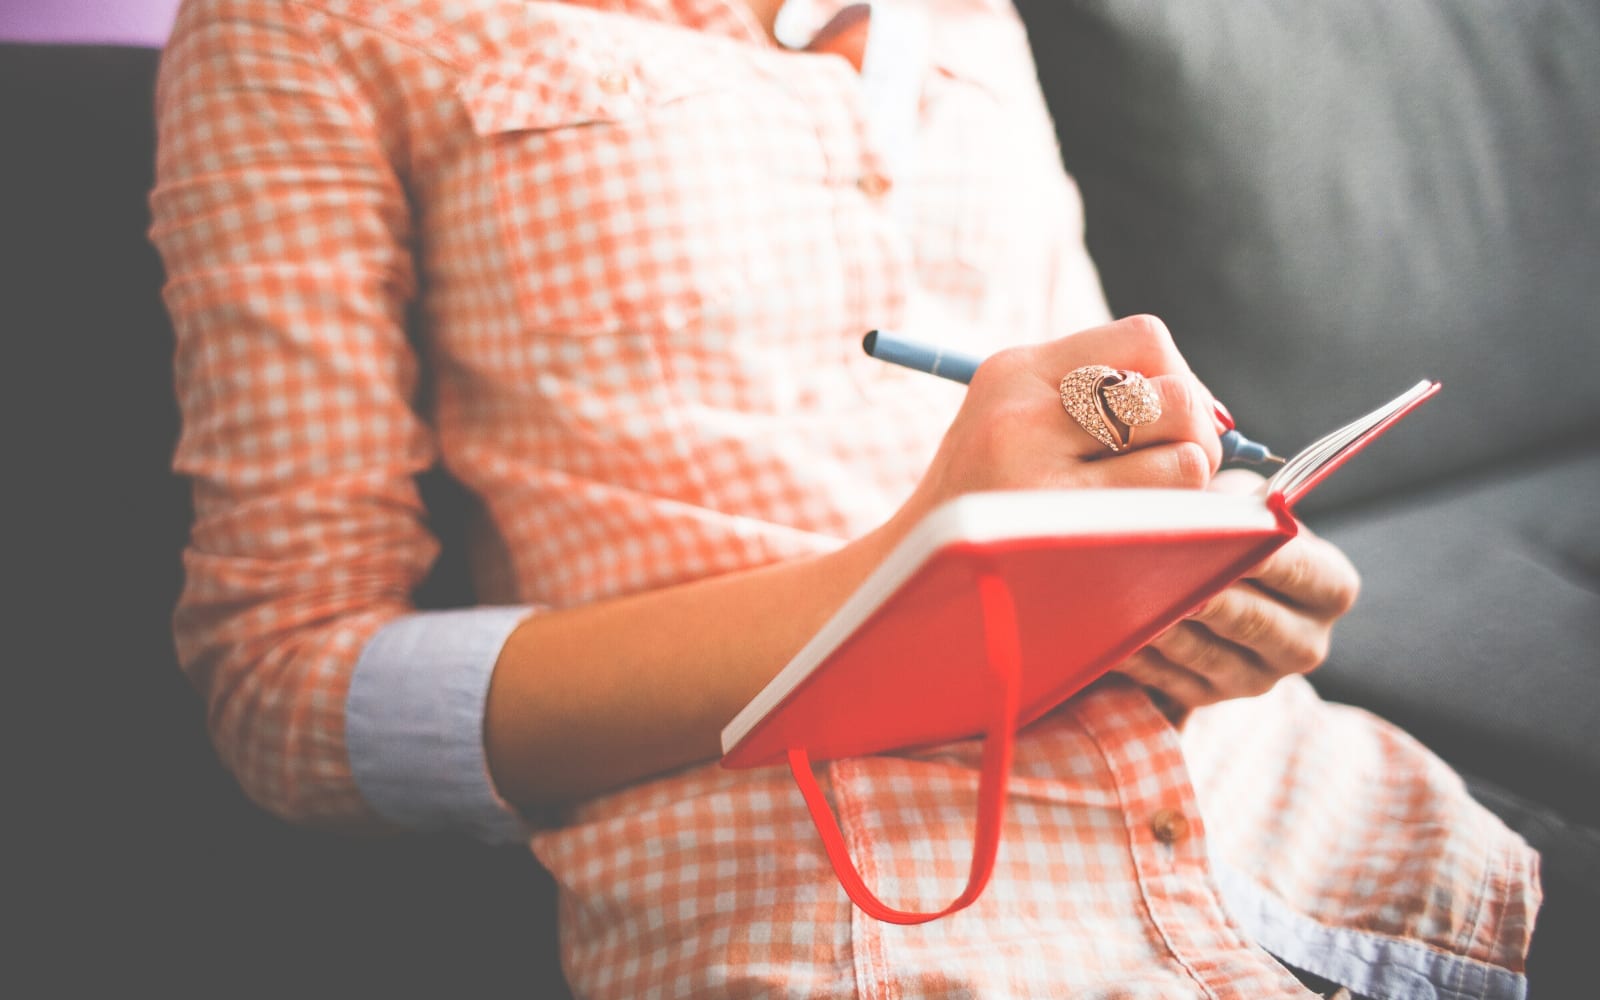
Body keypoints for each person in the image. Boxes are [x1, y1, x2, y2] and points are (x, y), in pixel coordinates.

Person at [149, 0, 1539, 996]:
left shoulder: (970, 23)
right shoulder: (300, 25)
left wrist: (1189, 568)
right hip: (859, 906)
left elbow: (1089, 417)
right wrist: (908, 580)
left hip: (1320, 834)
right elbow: (284, 691)